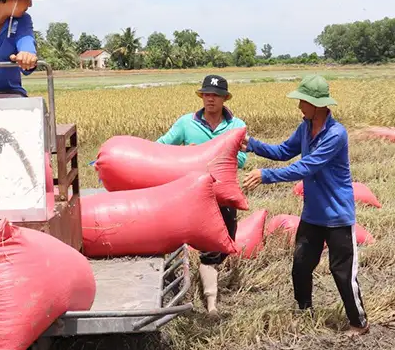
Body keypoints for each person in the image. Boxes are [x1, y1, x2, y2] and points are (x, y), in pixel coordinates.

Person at [241, 75, 368, 335]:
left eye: (303, 101)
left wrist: (266, 175)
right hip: (312, 214)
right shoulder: (304, 129)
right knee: (300, 265)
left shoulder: (336, 134)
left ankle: (359, 323)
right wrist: (252, 144)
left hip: (337, 216)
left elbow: (306, 166)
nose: (299, 106)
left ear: (317, 104)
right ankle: (304, 310)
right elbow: (284, 151)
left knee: (341, 272)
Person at [155, 74, 248, 316]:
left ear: (224, 99)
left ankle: (208, 272)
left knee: (226, 243)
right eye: (206, 94)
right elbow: (162, 147)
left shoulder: (236, 126)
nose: (210, 99)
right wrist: (185, 154)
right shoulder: (186, 123)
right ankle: (211, 303)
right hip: (192, 196)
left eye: (215, 95)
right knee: (206, 248)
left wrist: (211, 157)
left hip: (223, 195)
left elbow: (241, 158)